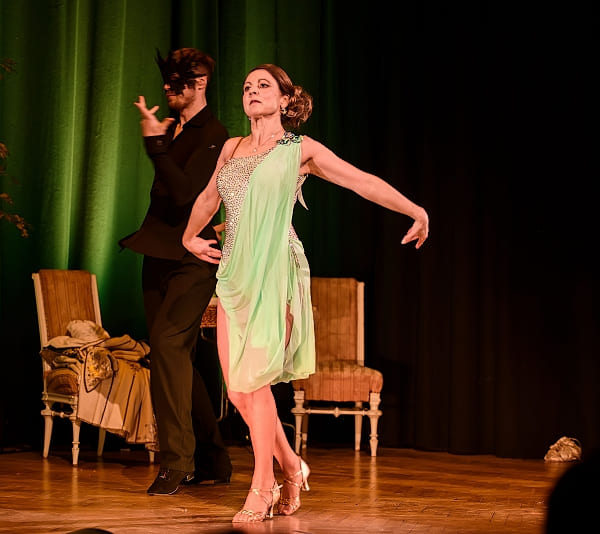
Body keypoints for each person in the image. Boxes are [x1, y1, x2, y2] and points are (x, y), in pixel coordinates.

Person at [182, 64, 429, 523]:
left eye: (263, 85)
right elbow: (209, 197)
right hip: (233, 273)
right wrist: (188, 236)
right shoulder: (232, 148)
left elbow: (361, 181)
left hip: (275, 269)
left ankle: (263, 485)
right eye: (247, 87)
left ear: (284, 99)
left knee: (256, 382)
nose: (253, 91)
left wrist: (415, 210)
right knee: (238, 391)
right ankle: (293, 465)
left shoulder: (300, 150)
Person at [119, 48, 233, 496]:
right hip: (157, 252)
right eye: (166, 81)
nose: (167, 88)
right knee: (175, 356)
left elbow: (188, 194)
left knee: (167, 347)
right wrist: (161, 141)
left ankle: (176, 461)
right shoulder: (174, 128)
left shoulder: (216, 134)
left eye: (177, 82)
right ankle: (213, 459)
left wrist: (156, 146)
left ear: (200, 82)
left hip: (195, 256)